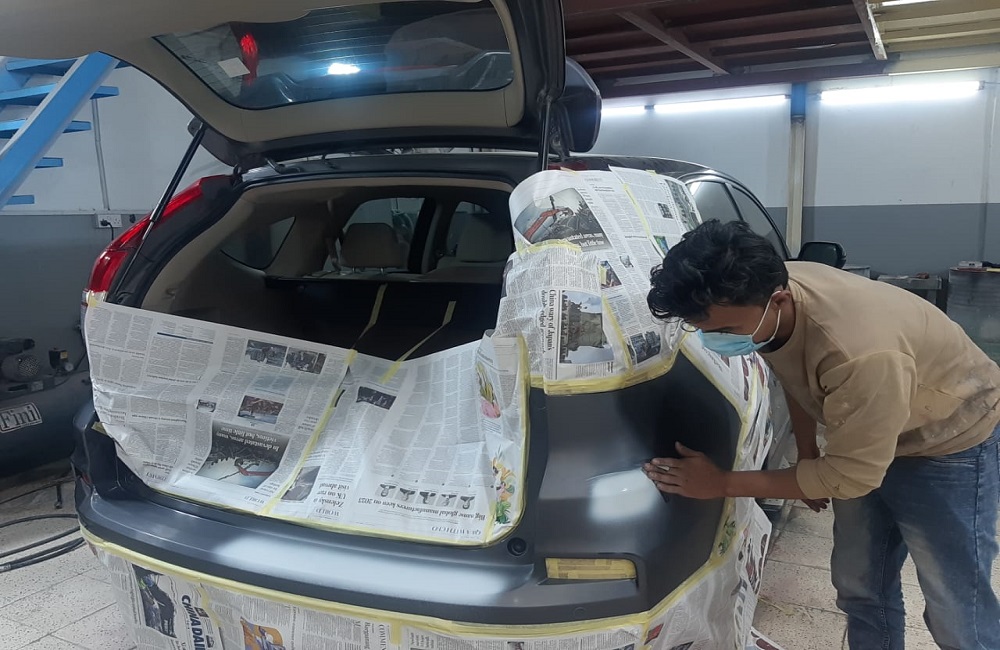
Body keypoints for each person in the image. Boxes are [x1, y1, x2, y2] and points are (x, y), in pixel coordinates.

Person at [644, 219, 1000, 649]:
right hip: (869, 423)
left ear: (778, 301)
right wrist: (807, 452)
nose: (712, 340)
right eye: (702, 329)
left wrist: (721, 483)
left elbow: (851, 476)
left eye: (724, 332)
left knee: (955, 606)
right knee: (859, 585)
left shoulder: (861, 354)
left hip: (949, 437)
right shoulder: (769, 301)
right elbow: (800, 374)